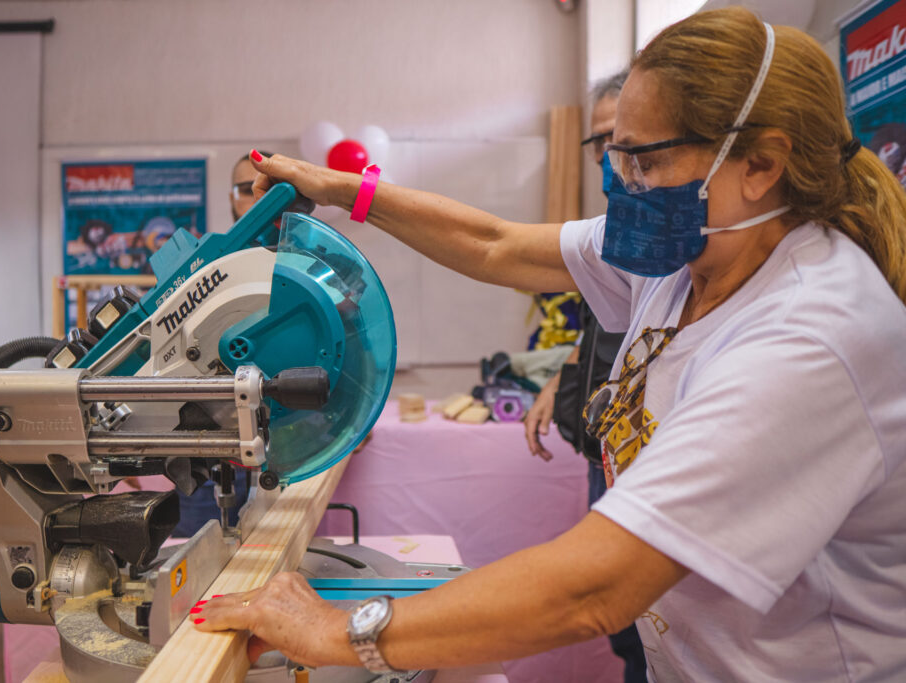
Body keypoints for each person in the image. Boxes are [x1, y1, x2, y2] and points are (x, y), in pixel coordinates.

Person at [188, 9, 906, 681]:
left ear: (761, 164)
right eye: (616, 158)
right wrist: (344, 189)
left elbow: (596, 586)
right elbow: (496, 244)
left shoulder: (812, 336)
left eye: (645, 162)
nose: (625, 187)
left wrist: (341, 630)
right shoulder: (686, 255)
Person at [524, 69, 647, 683]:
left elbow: (494, 246)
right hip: (611, 445)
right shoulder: (617, 234)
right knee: (630, 630)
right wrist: (559, 379)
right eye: (601, 142)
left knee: (631, 605)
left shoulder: (664, 239)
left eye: (624, 141)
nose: (612, 158)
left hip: (645, 450)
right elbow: (603, 323)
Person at [173, 152, 277, 536]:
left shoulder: (312, 260)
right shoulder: (204, 265)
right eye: (243, 189)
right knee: (197, 558)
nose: (254, 197)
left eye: (264, 187)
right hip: (207, 443)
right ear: (232, 198)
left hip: (287, 447)